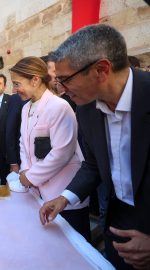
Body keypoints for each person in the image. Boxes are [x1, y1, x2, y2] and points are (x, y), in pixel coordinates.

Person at [39, 24, 150, 269]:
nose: (60, 89)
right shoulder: (87, 107)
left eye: (65, 80)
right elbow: (94, 164)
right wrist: (64, 198)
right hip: (116, 223)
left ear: (101, 69)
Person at [10, 56, 91, 242]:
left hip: (62, 191)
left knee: (74, 245)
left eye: (17, 84)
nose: (14, 90)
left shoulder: (59, 107)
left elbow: (61, 153)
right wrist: (25, 170)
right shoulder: (26, 108)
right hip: (37, 188)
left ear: (35, 79)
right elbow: (24, 143)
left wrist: (30, 176)